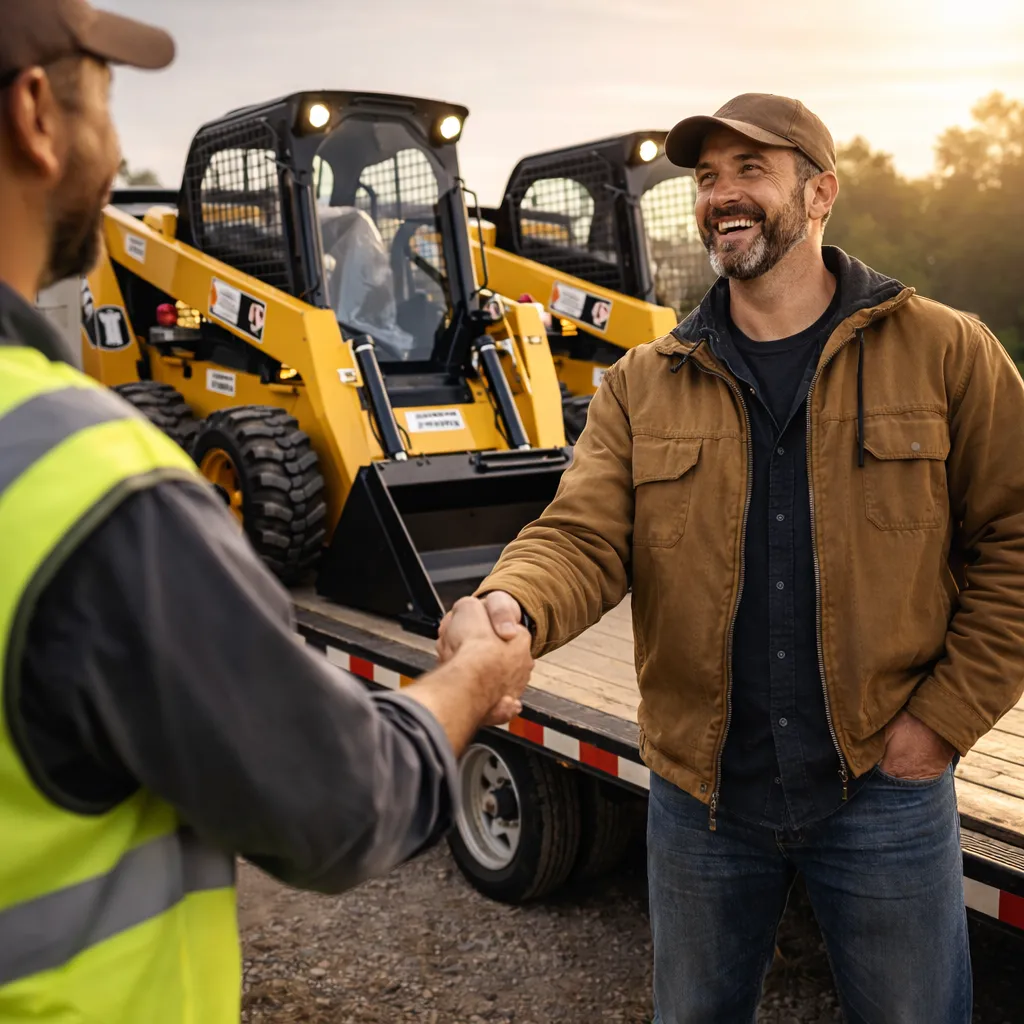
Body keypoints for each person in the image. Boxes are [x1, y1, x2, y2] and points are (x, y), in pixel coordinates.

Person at [0, 2, 533, 1021]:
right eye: (106, 100)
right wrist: (472, 681)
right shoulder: (90, 484)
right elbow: (336, 805)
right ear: (36, 113)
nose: (114, 146)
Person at [446, 92, 1024, 1023]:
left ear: (820, 191)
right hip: (702, 800)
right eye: (707, 178)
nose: (721, 195)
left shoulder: (945, 351)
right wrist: (511, 603)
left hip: (883, 789)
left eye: (750, 169)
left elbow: (1016, 542)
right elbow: (583, 535)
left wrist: (941, 724)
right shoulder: (647, 379)